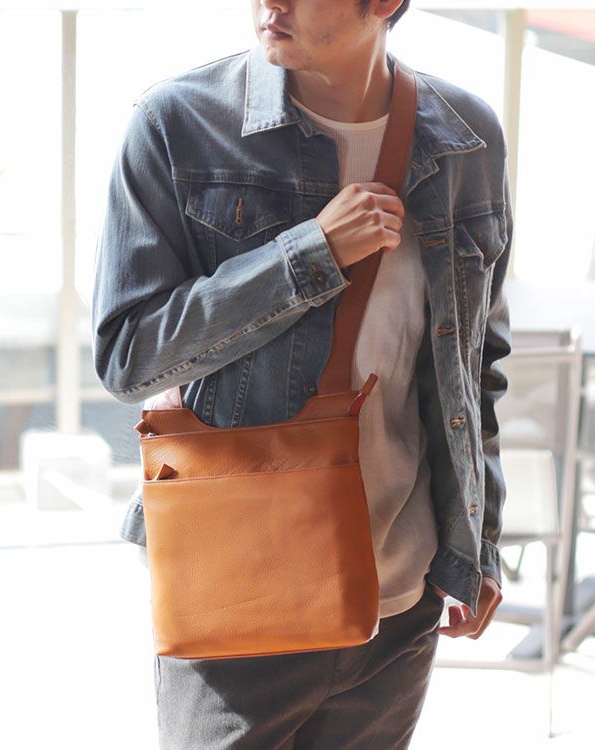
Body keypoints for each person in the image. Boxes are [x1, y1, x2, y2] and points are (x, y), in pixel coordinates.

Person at [92, 0, 512, 746]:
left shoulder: (466, 139)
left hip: (400, 603)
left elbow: (476, 362)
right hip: (238, 594)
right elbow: (129, 355)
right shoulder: (179, 124)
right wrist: (308, 255)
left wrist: (478, 541)